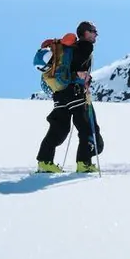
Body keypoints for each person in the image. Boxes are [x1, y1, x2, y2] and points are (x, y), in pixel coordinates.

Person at [36, 21, 101, 173]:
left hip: (60, 93)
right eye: (93, 31)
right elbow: (78, 69)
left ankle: (45, 162)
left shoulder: (67, 49)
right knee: (86, 128)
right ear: (85, 32)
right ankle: (84, 163)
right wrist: (83, 78)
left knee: (58, 128)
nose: (96, 35)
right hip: (75, 93)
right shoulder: (85, 46)